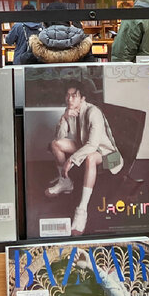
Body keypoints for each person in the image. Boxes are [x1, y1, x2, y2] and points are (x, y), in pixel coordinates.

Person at [45, 78, 124, 236]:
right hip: (85, 147)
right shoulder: (70, 111)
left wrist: (71, 160)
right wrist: (64, 119)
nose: (70, 99)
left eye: (74, 95)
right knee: (55, 144)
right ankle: (65, 182)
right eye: (67, 95)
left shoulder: (93, 112)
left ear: (83, 98)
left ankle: (82, 210)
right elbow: (59, 137)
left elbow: (93, 145)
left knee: (90, 158)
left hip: (111, 156)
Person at [29, 2, 93, 63]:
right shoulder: (82, 41)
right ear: (68, 20)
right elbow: (92, 69)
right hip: (74, 74)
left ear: (45, 22)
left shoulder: (37, 43)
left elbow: (25, 62)